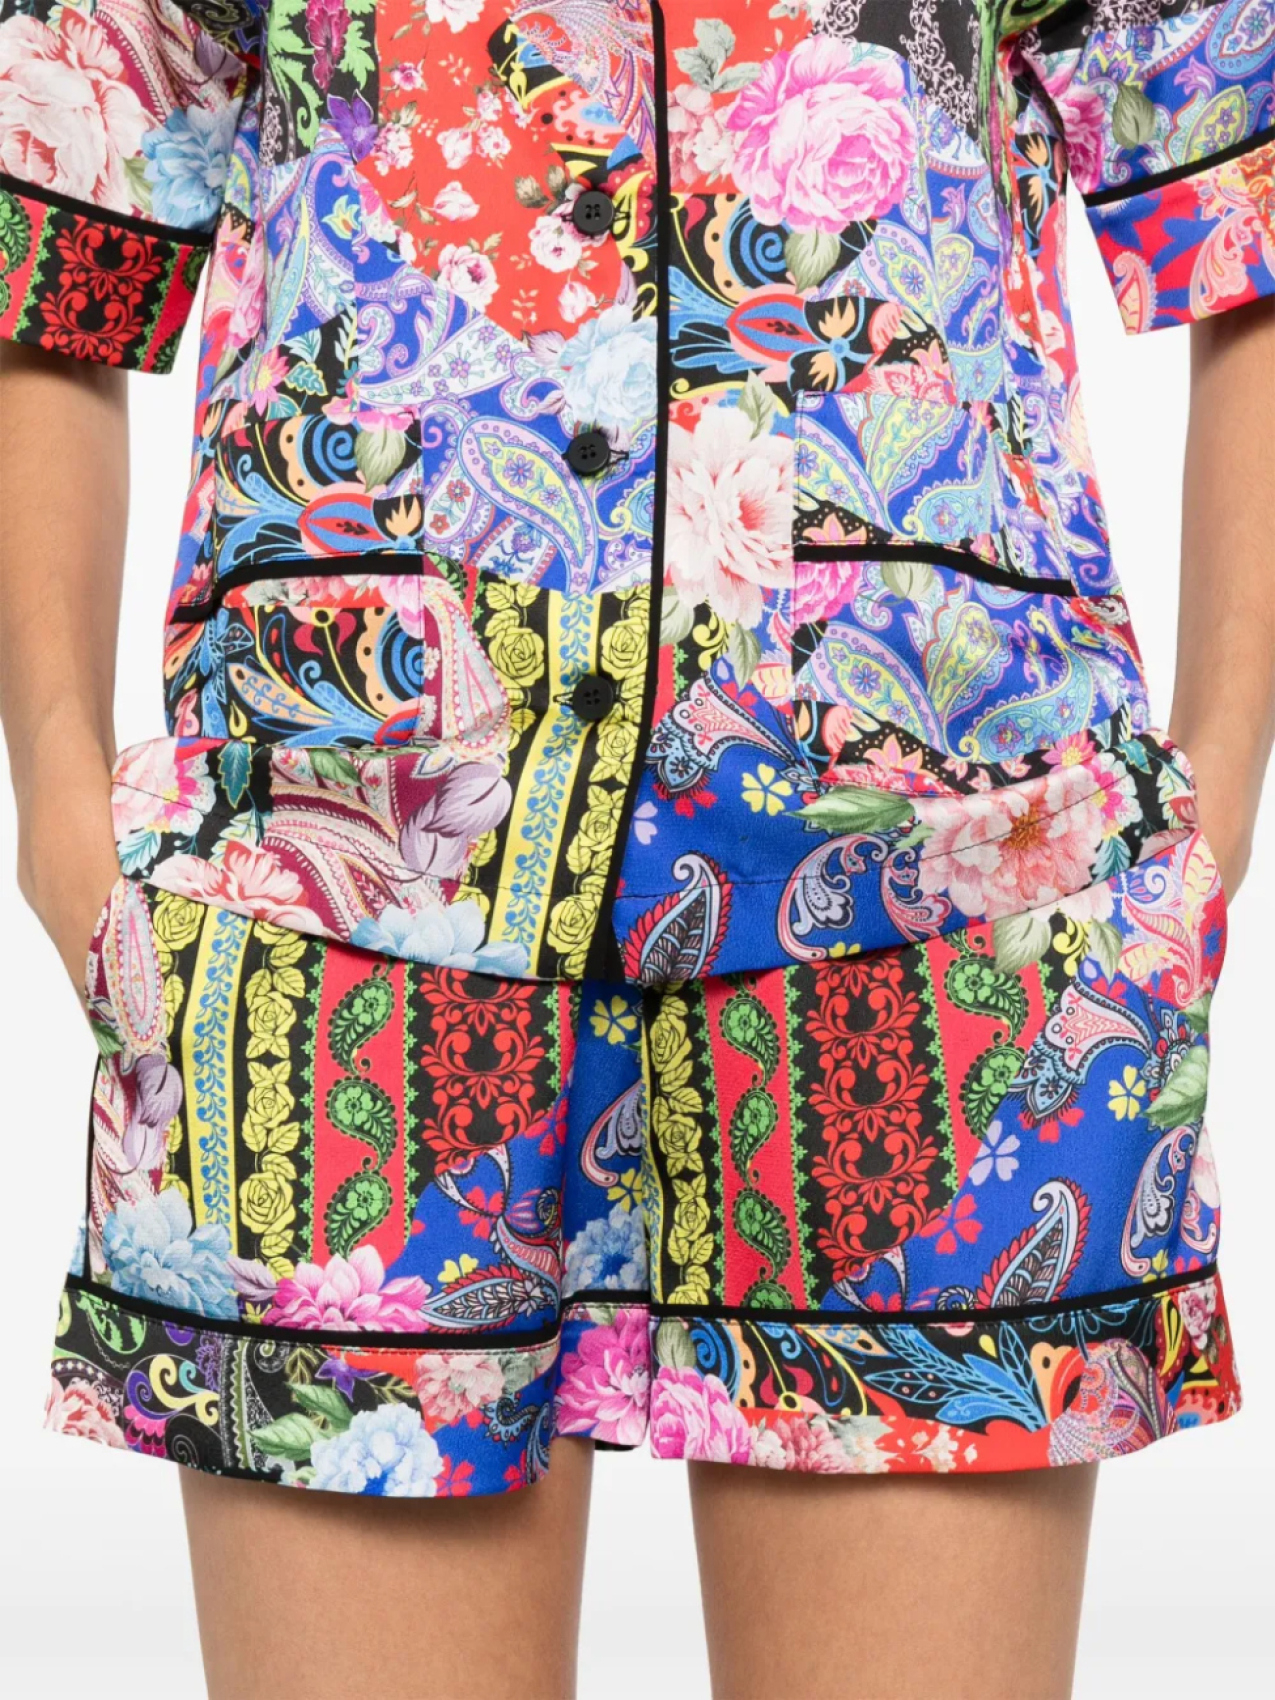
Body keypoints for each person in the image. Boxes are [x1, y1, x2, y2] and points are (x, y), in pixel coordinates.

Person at [1, 2, 1271, 1695]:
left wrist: (1218, 784)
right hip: (339, 870)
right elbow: (60, 188)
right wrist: (59, 797)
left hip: (956, 879)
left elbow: (1238, 156)